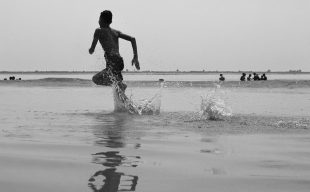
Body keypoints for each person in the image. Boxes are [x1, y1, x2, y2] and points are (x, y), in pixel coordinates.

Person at [89, 10, 140, 92]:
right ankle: (123, 101)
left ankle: (119, 85)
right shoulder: (116, 32)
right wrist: (135, 57)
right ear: (110, 21)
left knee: (96, 79)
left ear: (101, 20)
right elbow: (132, 39)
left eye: (99, 19)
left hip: (112, 61)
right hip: (119, 61)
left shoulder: (98, 30)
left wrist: (91, 50)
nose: (98, 21)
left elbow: (92, 49)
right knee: (119, 90)